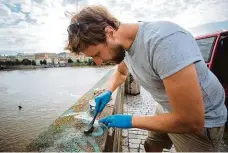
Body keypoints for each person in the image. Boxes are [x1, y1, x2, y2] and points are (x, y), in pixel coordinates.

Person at [65, 5, 227, 152]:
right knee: (151, 145)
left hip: (204, 119)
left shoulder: (164, 42)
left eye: (97, 54)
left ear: (109, 32)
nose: (98, 63)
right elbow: (121, 73)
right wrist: (108, 91)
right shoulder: (123, 44)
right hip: (166, 106)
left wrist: (131, 120)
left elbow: (191, 121)